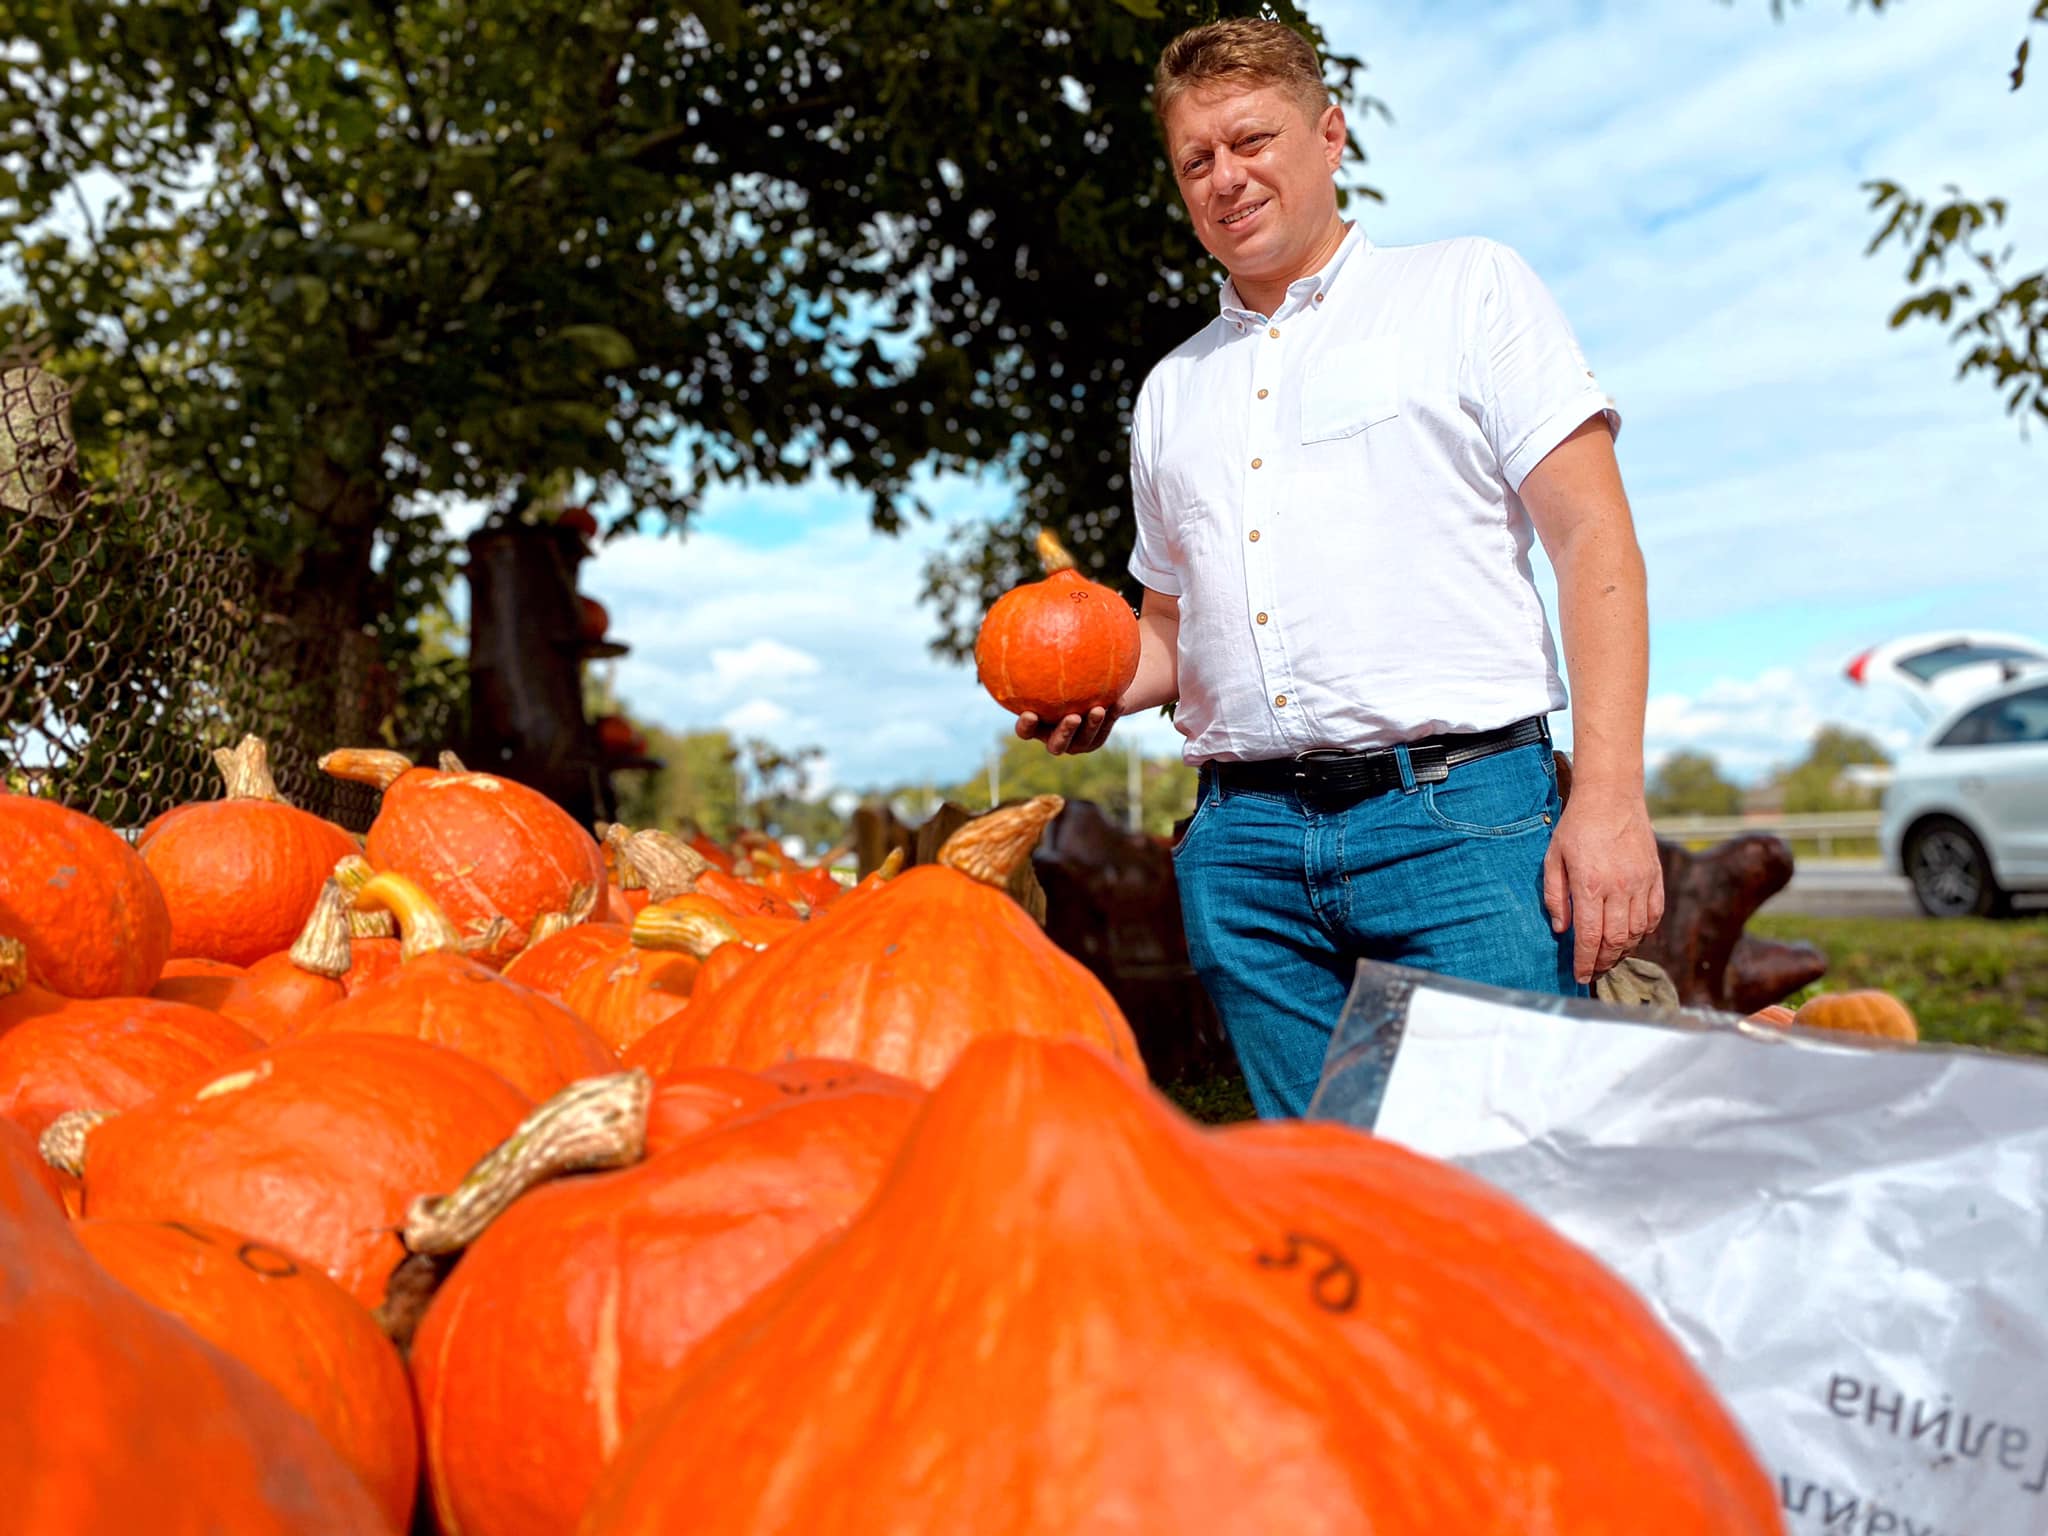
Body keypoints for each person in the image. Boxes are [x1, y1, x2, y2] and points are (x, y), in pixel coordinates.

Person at [1017, 18, 1665, 1119]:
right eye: (1196, 161)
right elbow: (1172, 629)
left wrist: (1607, 795)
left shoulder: (1466, 290)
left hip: (1460, 822)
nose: (1226, 177)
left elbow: (1592, 539)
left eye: (1250, 140)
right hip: (1245, 851)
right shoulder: (1170, 390)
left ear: (1328, 136)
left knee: (1518, 1189)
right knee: (1328, 1215)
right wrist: (1093, 689)